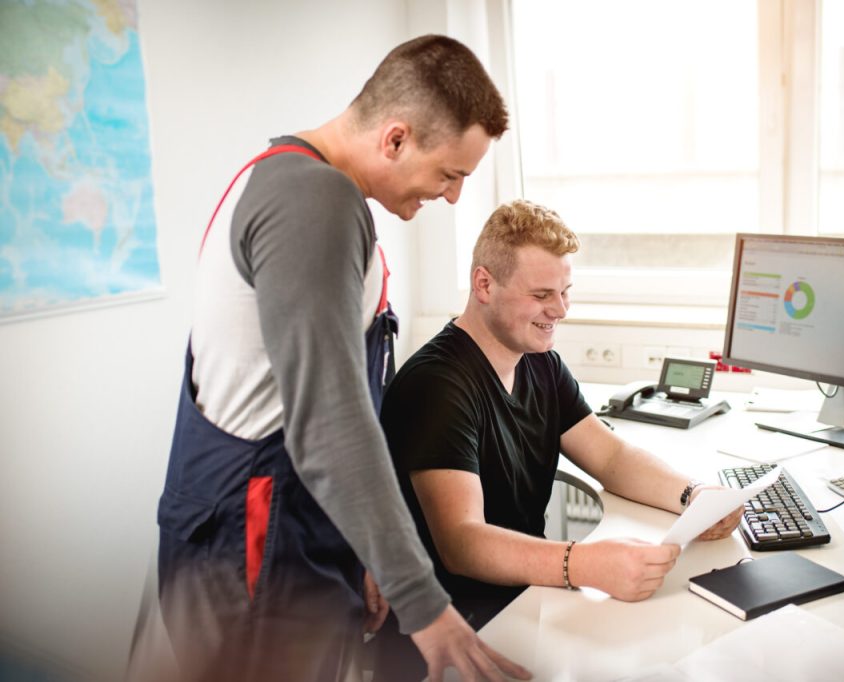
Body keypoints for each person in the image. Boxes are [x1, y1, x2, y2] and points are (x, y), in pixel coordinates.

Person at [153, 35, 531, 682]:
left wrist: (369, 550)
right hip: (258, 541)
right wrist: (423, 600)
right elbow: (328, 422)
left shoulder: (296, 184)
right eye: (450, 174)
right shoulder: (314, 202)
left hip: (282, 526)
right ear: (395, 139)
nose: (452, 198)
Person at [374, 199, 743, 679]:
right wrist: (584, 565)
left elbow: (608, 456)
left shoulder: (538, 360)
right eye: (543, 294)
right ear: (484, 284)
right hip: (455, 633)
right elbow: (460, 543)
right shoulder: (437, 384)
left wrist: (693, 497)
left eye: (566, 291)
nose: (560, 310)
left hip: (523, 600)